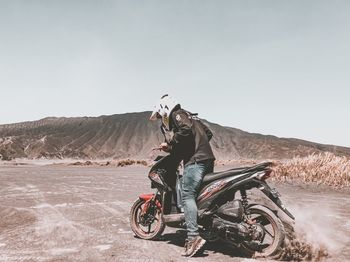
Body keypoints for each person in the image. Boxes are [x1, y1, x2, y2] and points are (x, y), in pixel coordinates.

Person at [150, 94, 215, 257]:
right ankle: (209, 230)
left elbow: (185, 130)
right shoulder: (192, 117)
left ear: (164, 109)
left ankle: (193, 237)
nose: (160, 118)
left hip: (196, 161)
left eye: (159, 115)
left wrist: (170, 143)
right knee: (203, 197)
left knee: (187, 195)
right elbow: (208, 134)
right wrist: (179, 148)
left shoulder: (177, 114)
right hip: (207, 158)